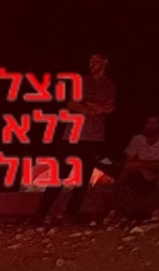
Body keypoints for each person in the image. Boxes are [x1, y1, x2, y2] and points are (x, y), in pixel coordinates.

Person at [37, 53, 117, 224]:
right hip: (72, 135)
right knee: (59, 175)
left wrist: (87, 104)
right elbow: (72, 104)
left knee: (83, 178)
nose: (92, 64)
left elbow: (110, 108)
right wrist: (95, 108)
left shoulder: (109, 85)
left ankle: (71, 214)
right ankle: (41, 214)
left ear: (105, 62)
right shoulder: (81, 81)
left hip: (94, 138)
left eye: (96, 61)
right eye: (91, 61)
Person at [113, 115, 159, 219]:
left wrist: (144, 165)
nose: (149, 126)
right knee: (123, 176)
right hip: (140, 171)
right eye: (148, 123)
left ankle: (158, 210)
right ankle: (121, 210)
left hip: (158, 170)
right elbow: (128, 161)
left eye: (153, 123)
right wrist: (143, 169)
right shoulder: (137, 139)